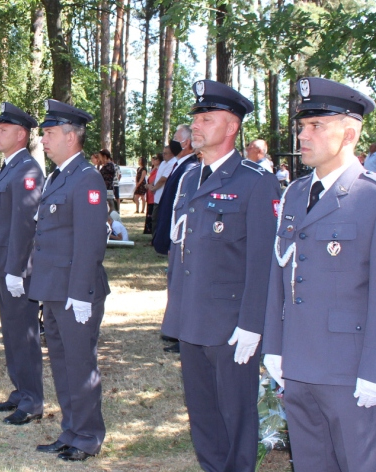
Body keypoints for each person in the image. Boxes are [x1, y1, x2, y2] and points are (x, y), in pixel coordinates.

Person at [262, 77, 376, 472]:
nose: (303, 135)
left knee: (356, 463)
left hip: (349, 368)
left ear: (349, 133)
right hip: (298, 361)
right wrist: (275, 346)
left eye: (316, 126)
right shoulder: (295, 193)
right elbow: (281, 273)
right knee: (312, 462)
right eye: (301, 126)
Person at [160, 79, 280, 472]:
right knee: (203, 414)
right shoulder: (190, 177)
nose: (195, 125)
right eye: (195, 117)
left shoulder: (256, 181)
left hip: (231, 324)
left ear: (231, 127)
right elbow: (182, 251)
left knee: (236, 415)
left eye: (206, 118)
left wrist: (252, 325)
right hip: (192, 316)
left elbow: (265, 260)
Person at [30, 99, 110, 462]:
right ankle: (71, 430)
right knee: (62, 363)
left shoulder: (87, 178)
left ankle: (89, 435)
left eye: (49, 133)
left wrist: (81, 294)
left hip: (75, 291)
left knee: (80, 364)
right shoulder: (59, 176)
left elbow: (90, 242)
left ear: (71, 136)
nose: (43, 140)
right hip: (54, 288)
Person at [0, 102, 45, 425]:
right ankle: (21, 391)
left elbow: (25, 224)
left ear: (21, 134)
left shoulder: (29, 171)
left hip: (16, 268)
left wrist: (16, 270)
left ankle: (33, 399)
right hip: (1, 264)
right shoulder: (9, 168)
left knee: (24, 333)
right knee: (11, 331)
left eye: (2, 129)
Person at [152, 124, 198, 255]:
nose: (172, 142)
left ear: (186, 143)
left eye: (175, 138)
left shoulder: (190, 168)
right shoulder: (179, 165)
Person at [148, 144, 177, 238]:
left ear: (172, 154)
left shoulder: (173, 163)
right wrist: (152, 185)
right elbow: (158, 177)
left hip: (163, 196)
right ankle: (155, 238)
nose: (163, 155)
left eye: (166, 153)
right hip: (157, 195)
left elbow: (164, 179)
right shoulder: (164, 163)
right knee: (154, 217)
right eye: (163, 153)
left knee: (158, 217)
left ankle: (157, 238)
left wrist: (154, 188)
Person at [143, 154, 161, 235]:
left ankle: (152, 232)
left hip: (154, 192)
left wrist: (151, 186)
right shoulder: (153, 169)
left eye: (155, 159)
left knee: (153, 213)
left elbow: (157, 179)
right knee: (150, 211)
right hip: (150, 192)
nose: (153, 160)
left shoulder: (159, 169)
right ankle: (149, 229)